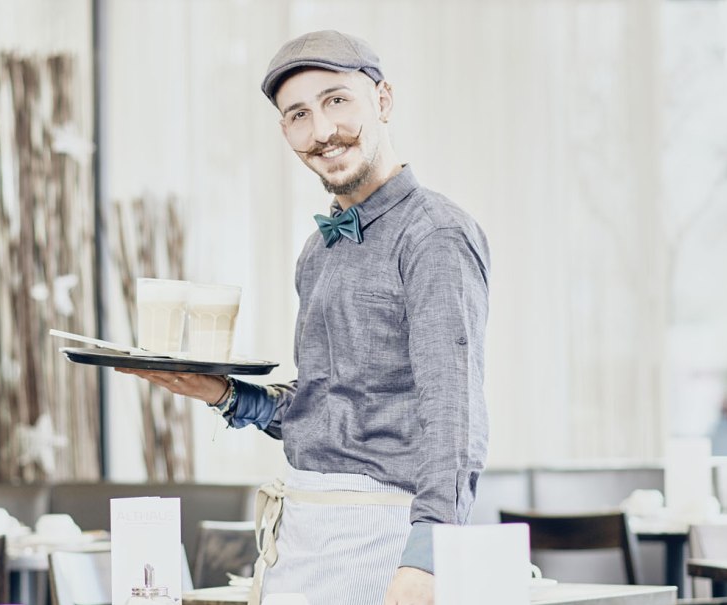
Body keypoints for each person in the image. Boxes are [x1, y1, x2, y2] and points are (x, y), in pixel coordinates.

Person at [118, 30, 489, 605]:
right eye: (299, 114)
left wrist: (429, 554)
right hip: (301, 527)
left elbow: (454, 411)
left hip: (386, 533)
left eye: (337, 100)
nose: (321, 131)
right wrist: (224, 394)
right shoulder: (318, 251)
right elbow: (325, 405)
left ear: (383, 100)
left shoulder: (434, 234)